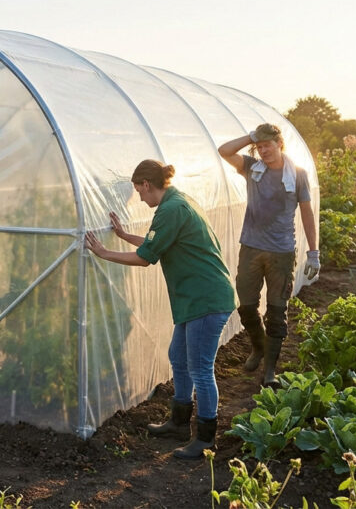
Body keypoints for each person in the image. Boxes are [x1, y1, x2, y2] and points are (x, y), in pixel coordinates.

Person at [85, 159, 236, 460]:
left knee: (201, 369)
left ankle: (205, 439)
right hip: (194, 298)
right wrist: (126, 236)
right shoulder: (176, 202)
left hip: (205, 299)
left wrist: (103, 253)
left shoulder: (170, 209)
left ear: (146, 184)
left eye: (139, 190)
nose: (139, 197)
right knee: (178, 357)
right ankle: (179, 424)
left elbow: (145, 258)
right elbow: (159, 244)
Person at [217, 123, 319, 387]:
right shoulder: (253, 168)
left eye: (268, 145)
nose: (263, 151)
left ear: (279, 144)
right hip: (250, 248)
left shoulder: (297, 175)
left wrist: (314, 252)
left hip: (281, 252)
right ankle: (259, 346)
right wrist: (251, 136)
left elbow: (307, 214)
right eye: (259, 146)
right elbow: (224, 150)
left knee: (276, 311)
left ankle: (270, 371)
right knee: (247, 305)